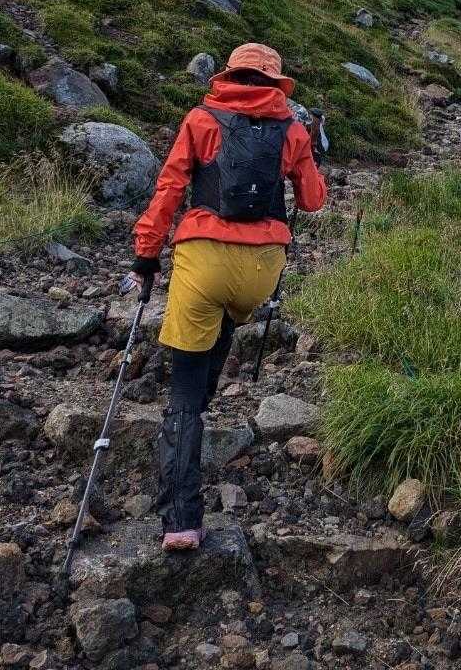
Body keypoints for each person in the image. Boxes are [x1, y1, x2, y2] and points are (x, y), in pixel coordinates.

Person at [125, 43, 327, 551]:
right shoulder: (293, 130)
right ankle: (199, 409)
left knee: (183, 393)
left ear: (229, 76)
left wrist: (146, 254)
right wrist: (307, 155)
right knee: (222, 330)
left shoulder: (201, 119)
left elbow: (169, 189)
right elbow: (312, 201)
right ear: (276, 83)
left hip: (203, 256)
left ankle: (181, 520)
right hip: (260, 269)